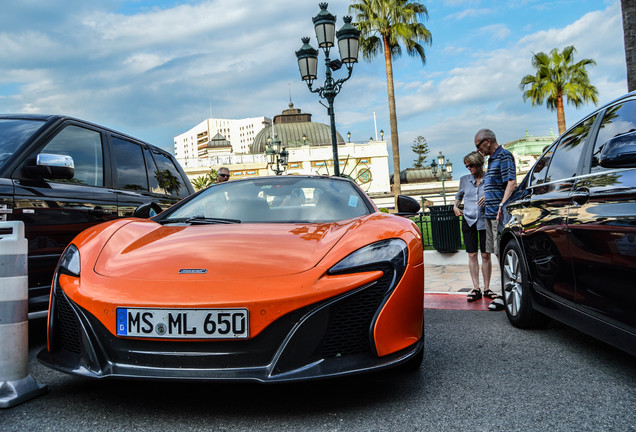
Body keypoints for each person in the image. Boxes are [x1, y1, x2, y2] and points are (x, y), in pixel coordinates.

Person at [474, 129, 517, 311]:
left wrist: (502, 205)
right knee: (497, 254)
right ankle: (505, 291)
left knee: (503, 255)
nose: (478, 151)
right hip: (490, 214)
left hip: (499, 215)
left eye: (478, 146)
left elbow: (511, 182)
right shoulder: (492, 160)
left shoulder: (504, 156)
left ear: (488, 141)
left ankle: (505, 293)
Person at [453, 151, 494, 302]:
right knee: (472, 254)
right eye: (466, 166)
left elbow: (499, 193)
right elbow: (459, 196)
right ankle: (476, 288)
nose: (468, 168)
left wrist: (489, 197)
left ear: (479, 164)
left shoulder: (490, 178)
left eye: (470, 165)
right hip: (468, 219)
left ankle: (487, 288)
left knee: (485, 255)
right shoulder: (464, 180)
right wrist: (455, 207)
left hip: (485, 220)